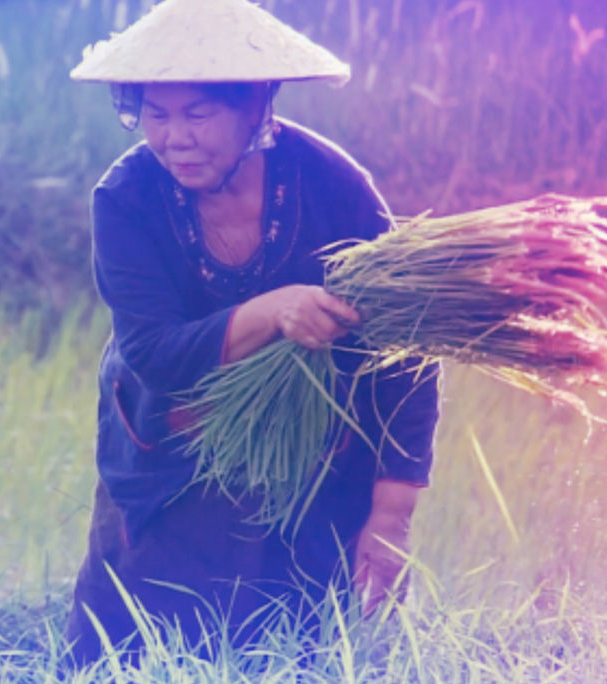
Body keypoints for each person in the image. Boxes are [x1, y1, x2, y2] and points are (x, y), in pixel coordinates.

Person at [64, 0, 440, 664]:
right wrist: (275, 309)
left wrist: (392, 514)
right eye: (157, 114)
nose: (175, 137)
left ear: (255, 110)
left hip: (309, 465)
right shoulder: (125, 199)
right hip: (168, 456)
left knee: (292, 650)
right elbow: (153, 354)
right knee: (135, 652)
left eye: (199, 113)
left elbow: (405, 345)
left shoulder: (334, 187)